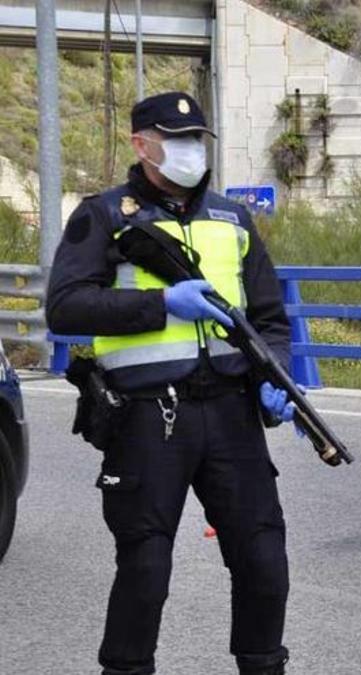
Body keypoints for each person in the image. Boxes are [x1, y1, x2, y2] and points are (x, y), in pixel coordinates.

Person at [45, 92, 298, 675]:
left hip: (233, 412)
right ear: (141, 143)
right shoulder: (105, 215)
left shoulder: (233, 219)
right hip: (146, 416)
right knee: (145, 568)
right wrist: (163, 303)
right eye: (174, 137)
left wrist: (274, 376)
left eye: (195, 138)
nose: (190, 149)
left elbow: (268, 317)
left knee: (264, 560)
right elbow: (65, 307)